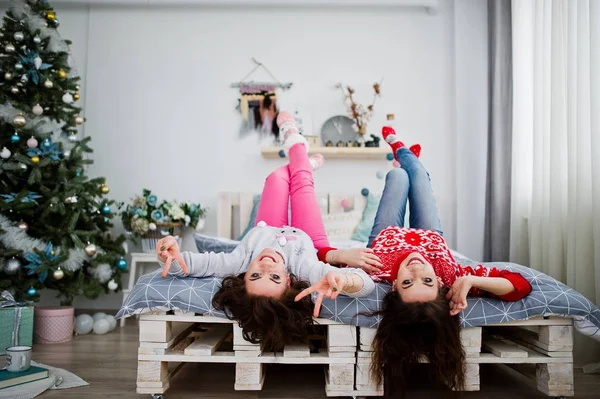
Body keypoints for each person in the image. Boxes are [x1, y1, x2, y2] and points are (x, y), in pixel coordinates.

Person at [310, 126, 532, 392]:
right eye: (426, 280)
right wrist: (471, 278)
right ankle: (403, 150)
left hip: (385, 234)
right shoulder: (452, 276)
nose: (416, 269)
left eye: (407, 283)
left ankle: (401, 158)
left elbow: (321, 256)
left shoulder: (375, 271)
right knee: (417, 174)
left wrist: (340, 256)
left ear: (393, 286)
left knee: (398, 176)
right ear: (439, 283)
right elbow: (520, 286)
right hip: (430, 235)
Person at [155, 111, 375, 352]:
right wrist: (345, 280)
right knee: (301, 180)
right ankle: (294, 138)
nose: (266, 269)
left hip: (265, 228)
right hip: (306, 234)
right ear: (289, 280)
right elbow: (367, 285)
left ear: (244, 275)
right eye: (275, 277)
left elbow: (198, 264)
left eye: (256, 276)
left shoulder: (240, 260)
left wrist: (170, 256)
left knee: (276, 178)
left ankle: (305, 164)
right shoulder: (306, 269)